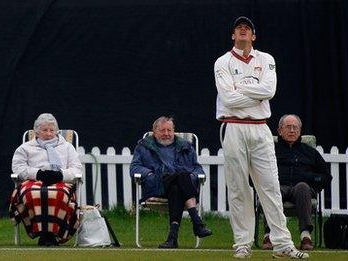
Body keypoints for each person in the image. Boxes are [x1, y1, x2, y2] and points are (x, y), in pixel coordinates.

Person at [214, 16, 309, 258]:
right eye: (239, 29)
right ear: (233, 36)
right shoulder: (222, 62)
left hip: (260, 128)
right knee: (238, 188)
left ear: (254, 36)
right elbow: (228, 99)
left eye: (247, 29)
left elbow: (269, 90)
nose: (243, 31)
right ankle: (242, 244)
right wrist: (256, 97)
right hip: (232, 126)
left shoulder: (266, 59)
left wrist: (240, 88)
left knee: (270, 187)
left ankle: (283, 244)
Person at [130, 116, 212, 249]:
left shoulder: (185, 147)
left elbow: (198, 169)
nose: (166, 134)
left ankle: (172, 238)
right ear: (154, 132)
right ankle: (196, 221)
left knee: (177, 187)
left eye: (169, 130)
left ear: (174, 131)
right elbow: (134, 168)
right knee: (182, 177)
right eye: (162, 130)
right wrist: (150, 174)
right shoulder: (144, 146)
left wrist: (192, 175)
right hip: (157, 185)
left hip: (180, 189)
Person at [9, 113, 82, 246]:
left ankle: (52, 234)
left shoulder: (67, 147)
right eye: (44, 130)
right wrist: (37, 174)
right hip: (34, 181)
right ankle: (43, 233)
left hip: (61, 181)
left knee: (58, 194)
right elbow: (18, 168)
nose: (48, 134)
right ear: (36, 132)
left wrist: (61, 175)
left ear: (56, 131)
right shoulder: (25, 148)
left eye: (51, 130)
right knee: (33, 193)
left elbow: (77, 169)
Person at [261, 114, 331, 251]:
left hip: (302, 190)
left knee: (302, 186)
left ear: (300, 131)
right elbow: (256, 173)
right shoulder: (269, 151)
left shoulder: (310, 152)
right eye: (288, 127)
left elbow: (325, 176)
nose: (292, 130)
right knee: (274, 189)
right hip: (278, 187)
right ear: (280, 131)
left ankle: (305, 236)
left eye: (295, 127)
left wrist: (309, 178)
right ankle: (270, 234)